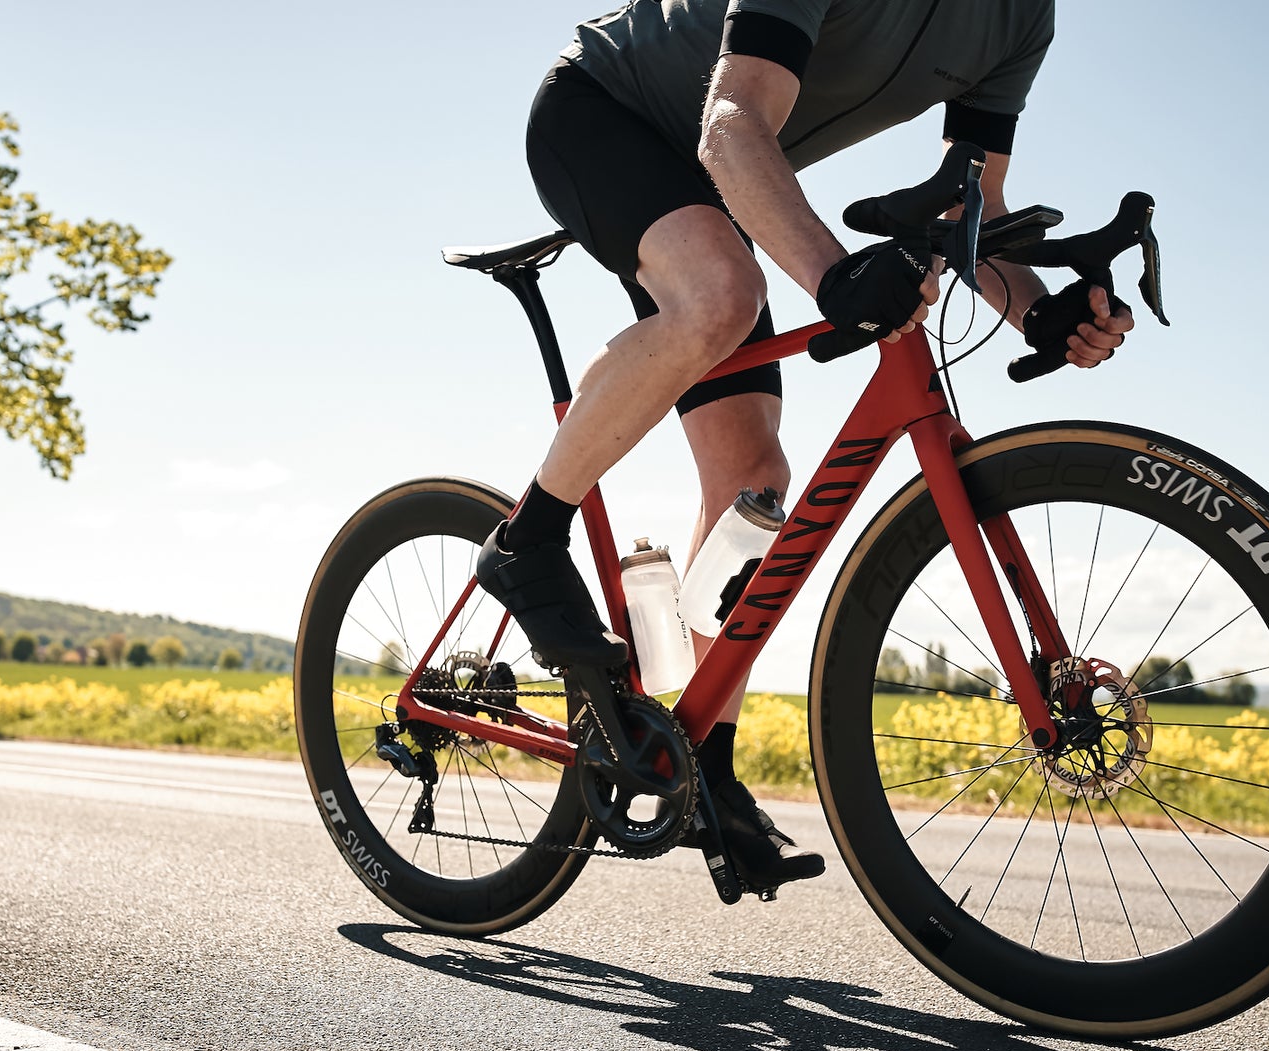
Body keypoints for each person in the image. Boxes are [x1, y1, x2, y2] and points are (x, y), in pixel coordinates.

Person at [475, 0, 1133, 892]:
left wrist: (1039, 312)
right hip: (607, 111)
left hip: (718, 176)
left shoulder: (1020, 19)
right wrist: (833, 276)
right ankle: (529, 537)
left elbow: (975, 206)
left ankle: (706, 764)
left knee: (752, 476)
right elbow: (734, 120)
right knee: (718, 295)